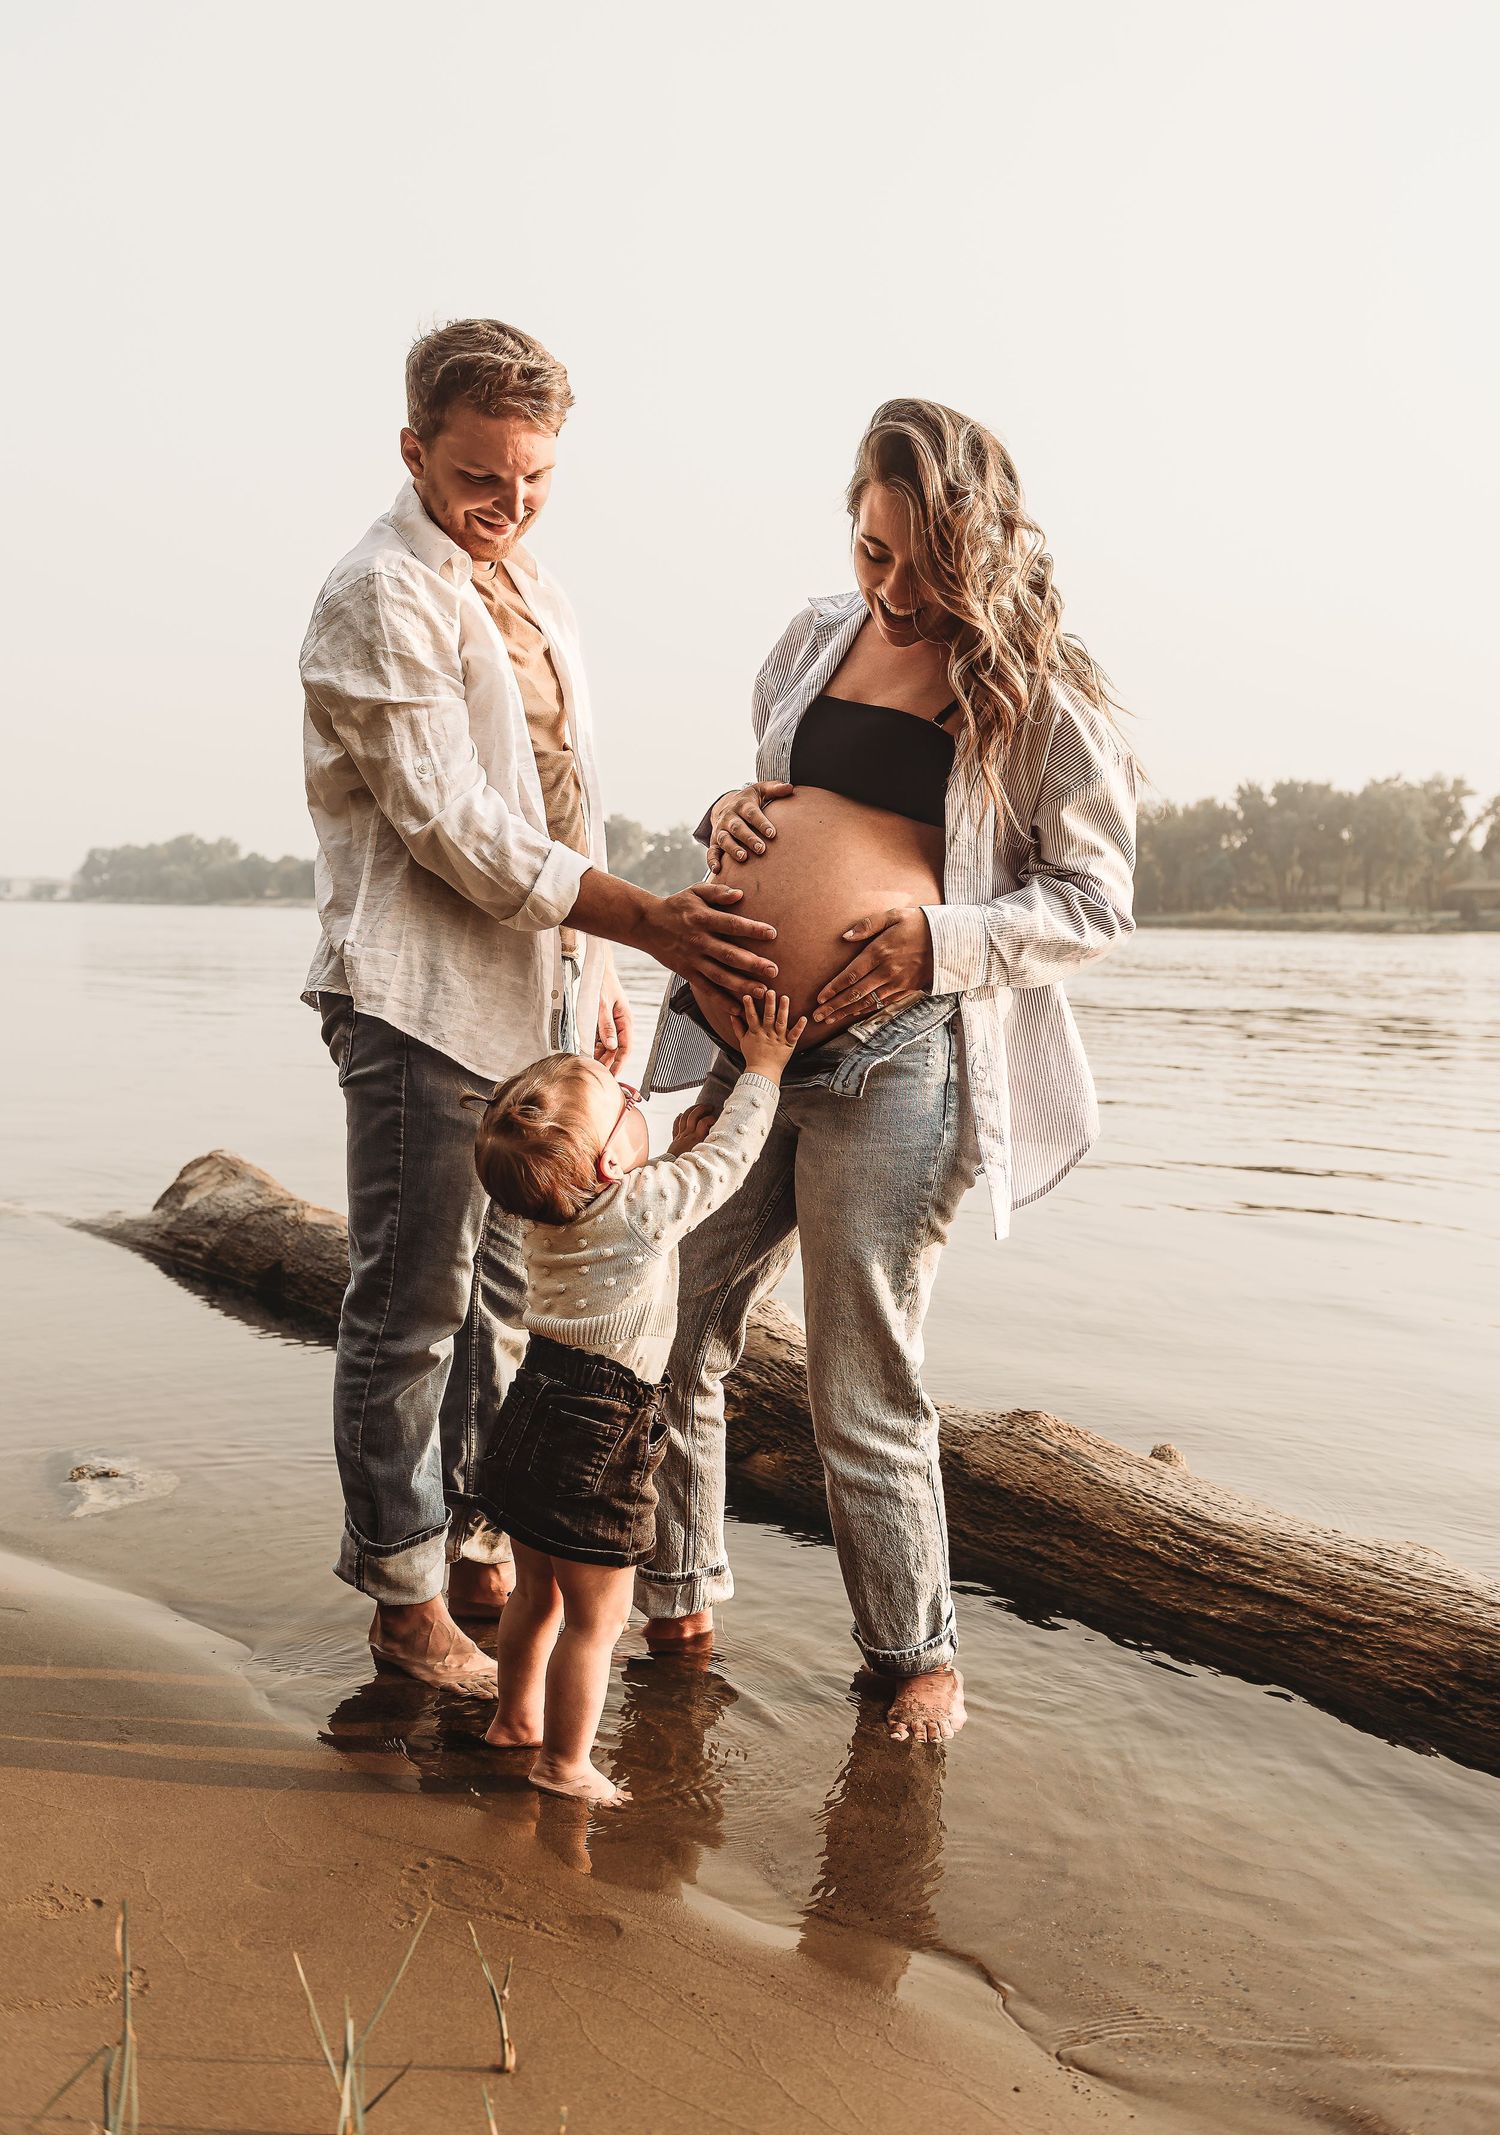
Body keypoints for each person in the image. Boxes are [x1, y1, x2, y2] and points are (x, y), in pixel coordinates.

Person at [636, 397, 1138, 1742]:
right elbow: (793, 802)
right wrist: (732, 810)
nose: (898, 591)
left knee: (858, 1371)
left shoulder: (1041, 690)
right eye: (874, 554)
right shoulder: (811, 636)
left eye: (927, 562)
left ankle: (916, 1650)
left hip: (900, 1062)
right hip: (749, 1040)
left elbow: (1096, 902)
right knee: (671, 1314)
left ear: (981, 542)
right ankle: (676, 1602)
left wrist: (936, 937)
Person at [300, 318, 779, 1695]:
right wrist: (645, 911)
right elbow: (453, 825)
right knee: (409, 1306)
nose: (507, 505)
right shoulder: (376, 595)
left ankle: (475, 1539)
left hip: (536, 998)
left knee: (509, 1303)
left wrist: (605, 972)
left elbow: (565, 798)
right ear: (414, 449)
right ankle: (402, 1592)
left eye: (533, 479)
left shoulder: (536, 590)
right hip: (414, 998)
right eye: (479, 478)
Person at [470, 994, 805, 1802]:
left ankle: (515, 1718)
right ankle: (564, 1762)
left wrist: (622, 1125)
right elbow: (731, 1158)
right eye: (626, 1103)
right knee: (599, 1619)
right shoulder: (646, 1206)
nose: (633, 1099)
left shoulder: (533, 1209)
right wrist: (762, 1067)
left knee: (538, 1592)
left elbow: (599, 1181)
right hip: (603, 1427)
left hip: (531, 1408)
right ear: (614, 1166)